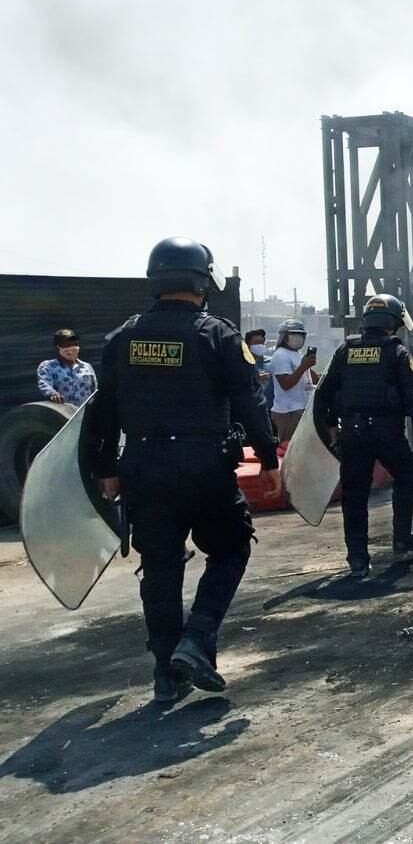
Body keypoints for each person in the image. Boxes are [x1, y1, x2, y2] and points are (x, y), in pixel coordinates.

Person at [84, 237, 282, 704]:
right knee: (232, 547)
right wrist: (269, 458)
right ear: (203, 280)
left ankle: (165, 674)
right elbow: (250, 402)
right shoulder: (218, 334)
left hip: (143, 468)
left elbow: (101, 410)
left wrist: (105, 467)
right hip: (204, 466)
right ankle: (198, 639)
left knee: (160, 568)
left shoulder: (122, 338)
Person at [314, 294, 413, 576]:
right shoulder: (396, 351)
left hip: (352, 434)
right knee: (406, 473)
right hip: (386, 431)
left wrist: (332, 426)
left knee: (354, 493)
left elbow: (324, 393)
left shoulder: (346, 350)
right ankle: (402, 538)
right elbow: (412, 395)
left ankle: (357, 558)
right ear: (394, 321)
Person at [268, 318, 317, 442]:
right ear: (285, 336)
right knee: (288, 448)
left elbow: (311, 376)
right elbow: (285, 384)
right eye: (294, 334)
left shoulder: (297, 354)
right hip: (288, 412)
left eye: (301, 335)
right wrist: (303, 366)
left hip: (301, 409)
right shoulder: (281, 355)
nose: (298, 337)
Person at [36, 329, 97, 406]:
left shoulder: (87, 367)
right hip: (63, 414)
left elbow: (95, 391)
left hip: (85, 413)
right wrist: (53, 394)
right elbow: (44, 384)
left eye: (75, 344)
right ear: (58, 347)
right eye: (66, 345)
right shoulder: (48, 366)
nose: (72, 348)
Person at [245, 329, 274, 413]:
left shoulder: (272, 362)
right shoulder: (244, 364)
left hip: (270, 408)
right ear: (248, 345)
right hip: (251, 409)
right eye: (256, 342)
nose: (260, 345)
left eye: (262, 342)